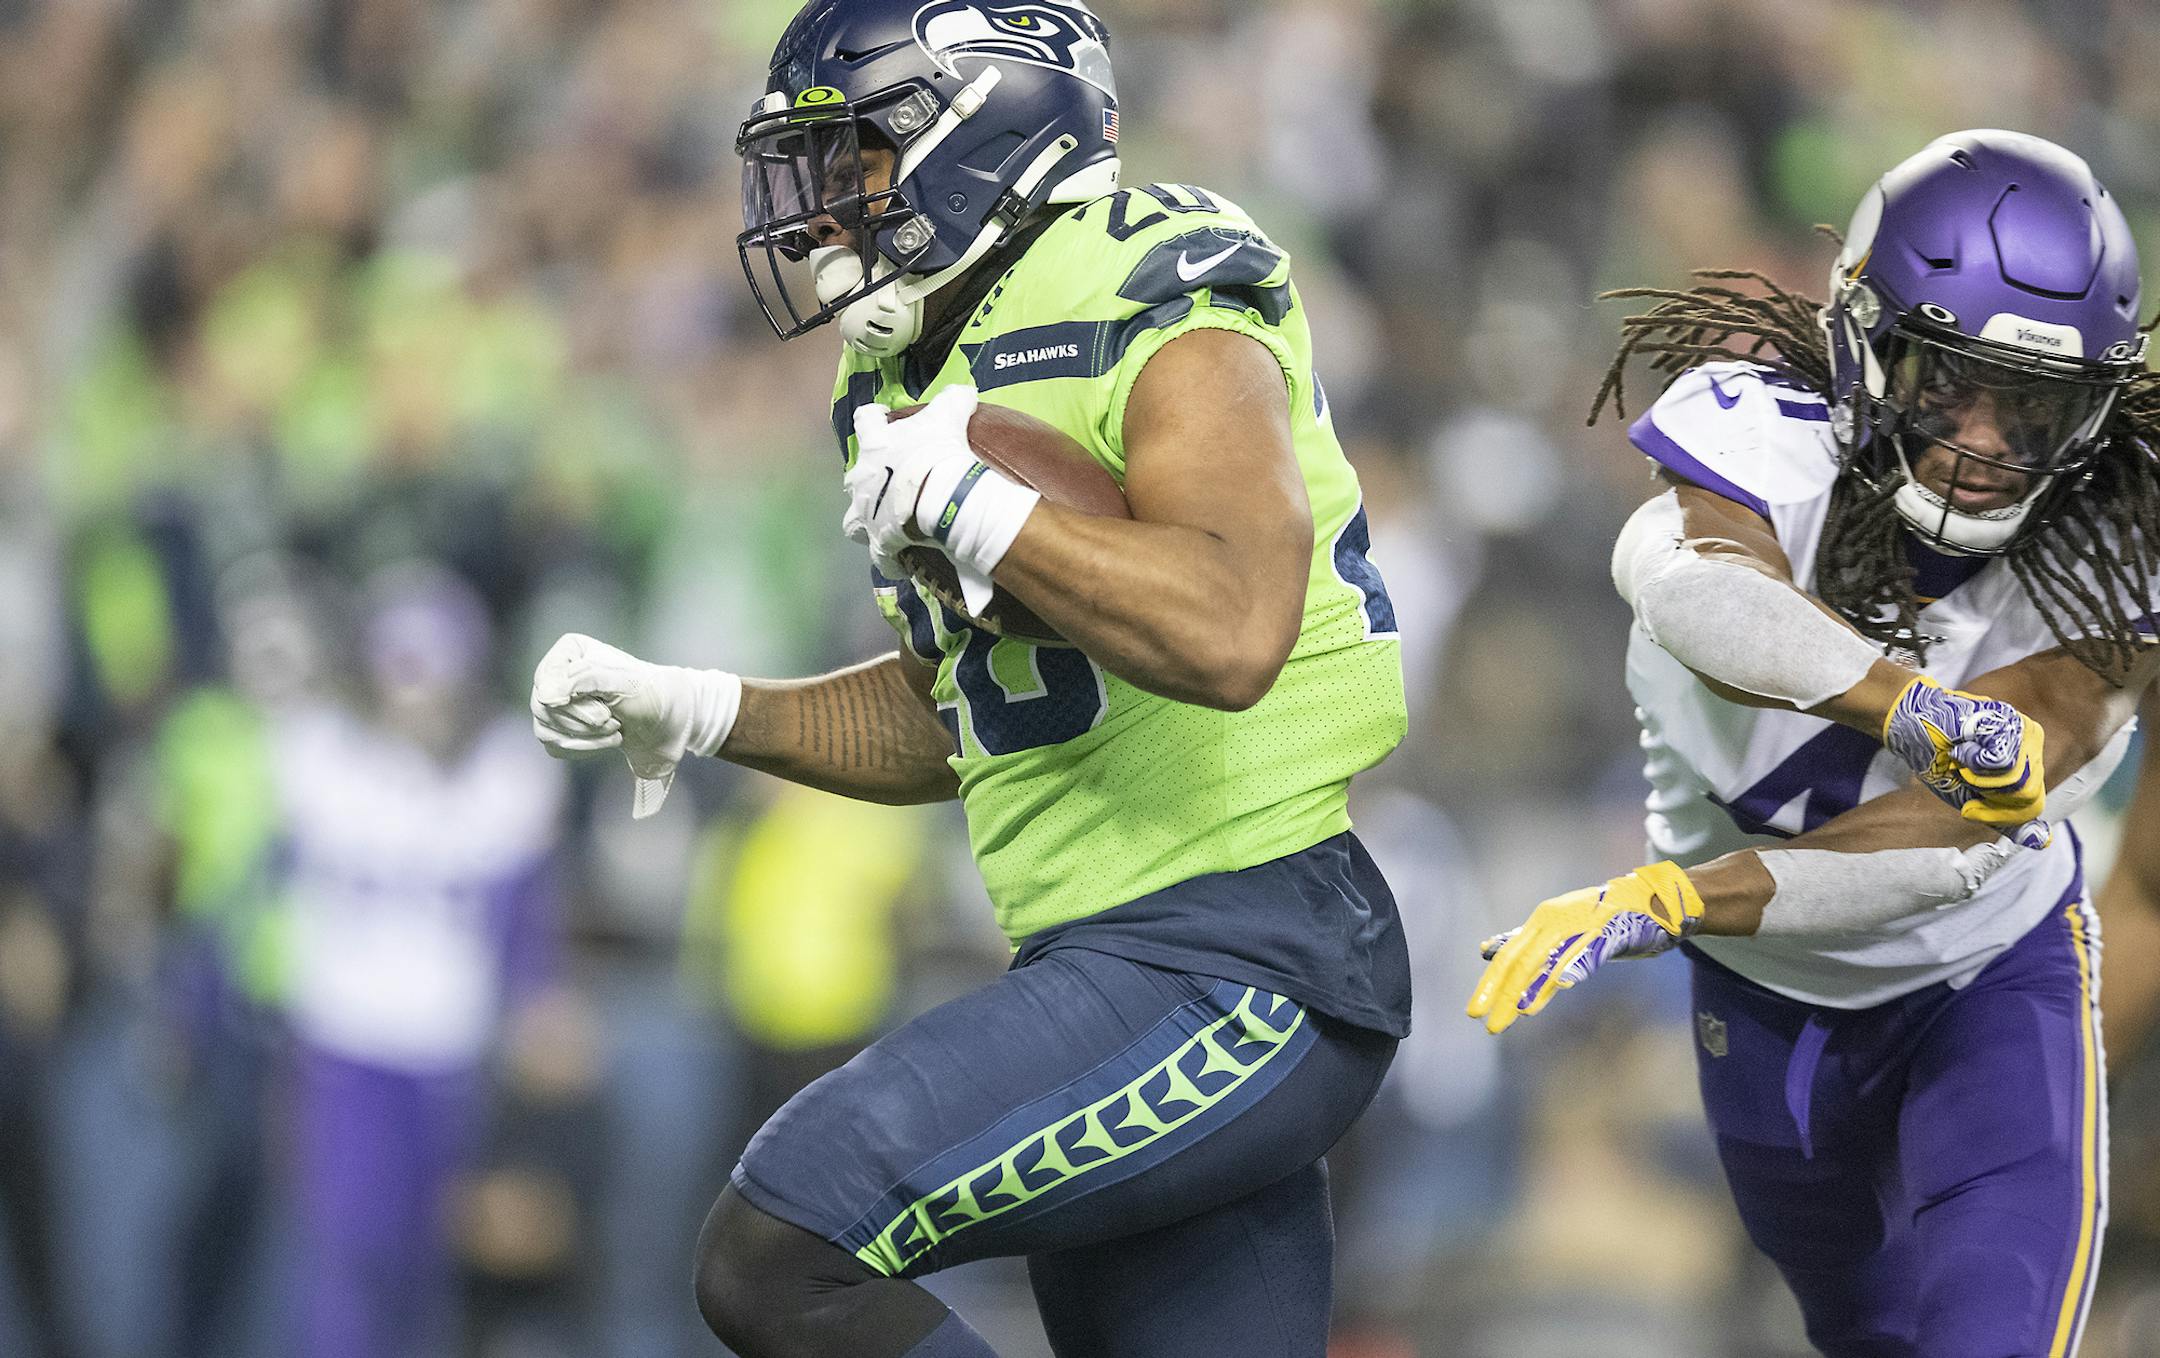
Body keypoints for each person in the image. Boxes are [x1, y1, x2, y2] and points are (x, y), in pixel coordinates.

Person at [528, 2, 1410, 1356]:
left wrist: (984, 509)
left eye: (854, 155)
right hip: (1116, 959)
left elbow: (1236, 630)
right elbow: (968, 713)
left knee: (782, 1246)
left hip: (1241, 952)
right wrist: (708, 708)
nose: (822, 205)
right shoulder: (900, 369)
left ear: (983, 125)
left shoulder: (1148, 276)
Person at [1466, 129, 2158, 1357]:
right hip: (1769, 1001)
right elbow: (1696, 592)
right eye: (1947, 380)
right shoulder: (1760, 426)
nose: (1986, 441)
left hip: (1986, 980)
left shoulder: (2121, 555)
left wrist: (1679, 894)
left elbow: (1946, 850)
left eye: (2037, 405)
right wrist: (1910, 707)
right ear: (1860, 337)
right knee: (1863, 1331)